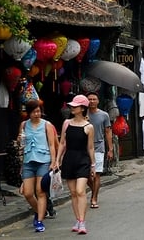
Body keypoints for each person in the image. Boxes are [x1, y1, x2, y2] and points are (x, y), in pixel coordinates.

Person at [55, 95, 95, 235]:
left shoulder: (89, 127)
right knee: (73, 193)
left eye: (75, 106)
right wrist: (57, 160)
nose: (72, 108)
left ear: (82, 108)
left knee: (80, 191)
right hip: (69, 159)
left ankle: (83, 222)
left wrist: (93, 165)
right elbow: (62, 143)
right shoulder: (67, 123)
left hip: (83, 160)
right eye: (72, 106)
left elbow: (90, 148)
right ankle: (77, 219)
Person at [18, 100, 57, 232]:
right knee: (28, 193)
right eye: (34, 111)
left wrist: (53, 161)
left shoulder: (47, 125)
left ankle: (39, 220)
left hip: (43, 160)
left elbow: (52, 144)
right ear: (28, 113)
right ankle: (40, 211)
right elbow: (21, 145)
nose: (37, 114)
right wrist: (19, 141)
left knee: (40, 192)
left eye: (39, 111)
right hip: (28, 161)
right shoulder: (24, 125)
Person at [85, 92, 113, 209]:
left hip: (98, 147)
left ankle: (94, 198)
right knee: (86, 176)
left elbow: (108, 132)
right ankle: (94, 190)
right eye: (89, 99)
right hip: (84, 148)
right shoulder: (83, 114)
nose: (91, 101)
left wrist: (110, 149)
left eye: (94, 99)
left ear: (98, 101)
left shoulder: (104, 115)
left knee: (96, 174)